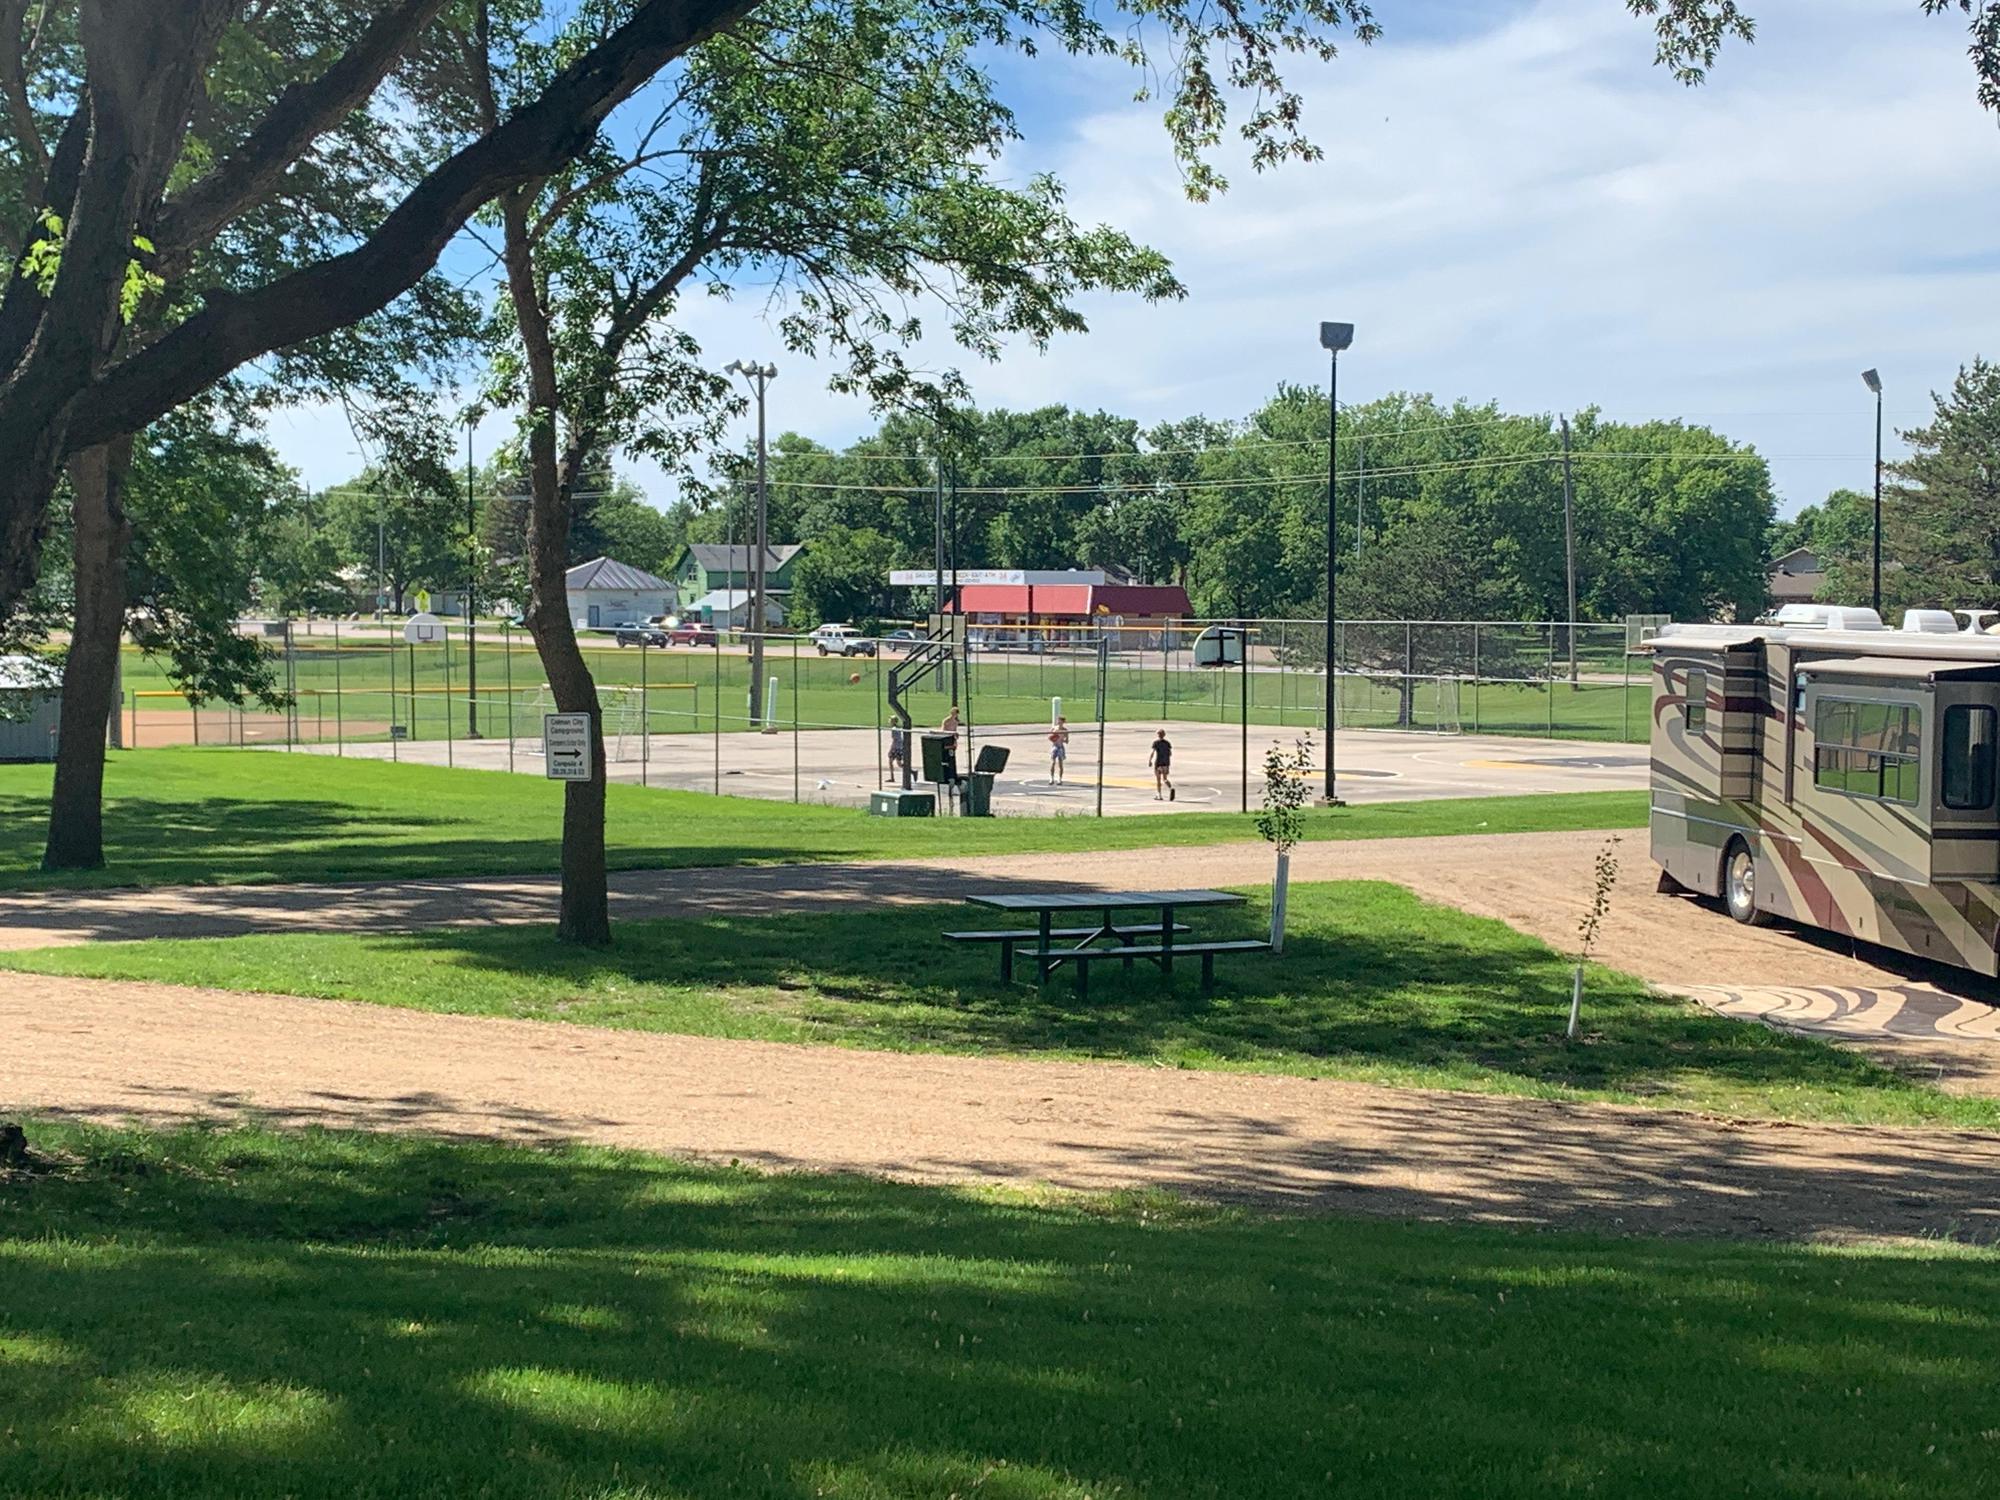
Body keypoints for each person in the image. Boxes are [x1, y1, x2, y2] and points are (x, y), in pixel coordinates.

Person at [1149, 727, 1175, 801]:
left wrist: (1150, 760)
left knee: (1158, 780)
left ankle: (1159, 795)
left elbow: (1153, 752)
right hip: (1166, 763)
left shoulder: (1156, 743)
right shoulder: (1167, 743)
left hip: (1158, 763)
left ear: (1158, 735)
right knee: (1165, 779)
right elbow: (1170, 753)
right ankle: (1170, 787)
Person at [1047, 715, 1070, 784]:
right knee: (1052, 762)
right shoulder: (1054, 728)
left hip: (1060, 747)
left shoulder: (1065, 730)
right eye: (1058, 721)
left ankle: (1060, 779)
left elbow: (1067, 741)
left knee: (1060, 764)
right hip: (1054, 746)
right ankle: (1051, 778)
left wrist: (1062, 739)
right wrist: (1054, 738)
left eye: (1060, 721)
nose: (1059, 722)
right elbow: (1049, 737)